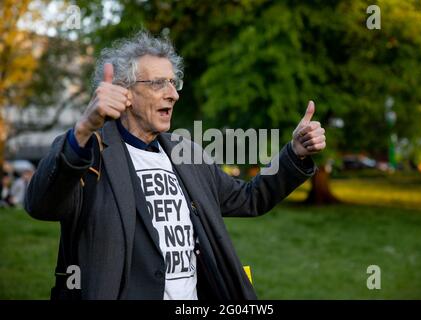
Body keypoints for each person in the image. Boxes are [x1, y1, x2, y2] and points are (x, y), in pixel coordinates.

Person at [25, 31, 326, 300]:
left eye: (173, 82)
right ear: (124, 92)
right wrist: (82, 130)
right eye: (159, 83)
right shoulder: (90, 151)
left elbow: (248, 198)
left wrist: (294, 153)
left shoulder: (185, 153)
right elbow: (41, 204)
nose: (174, 93)